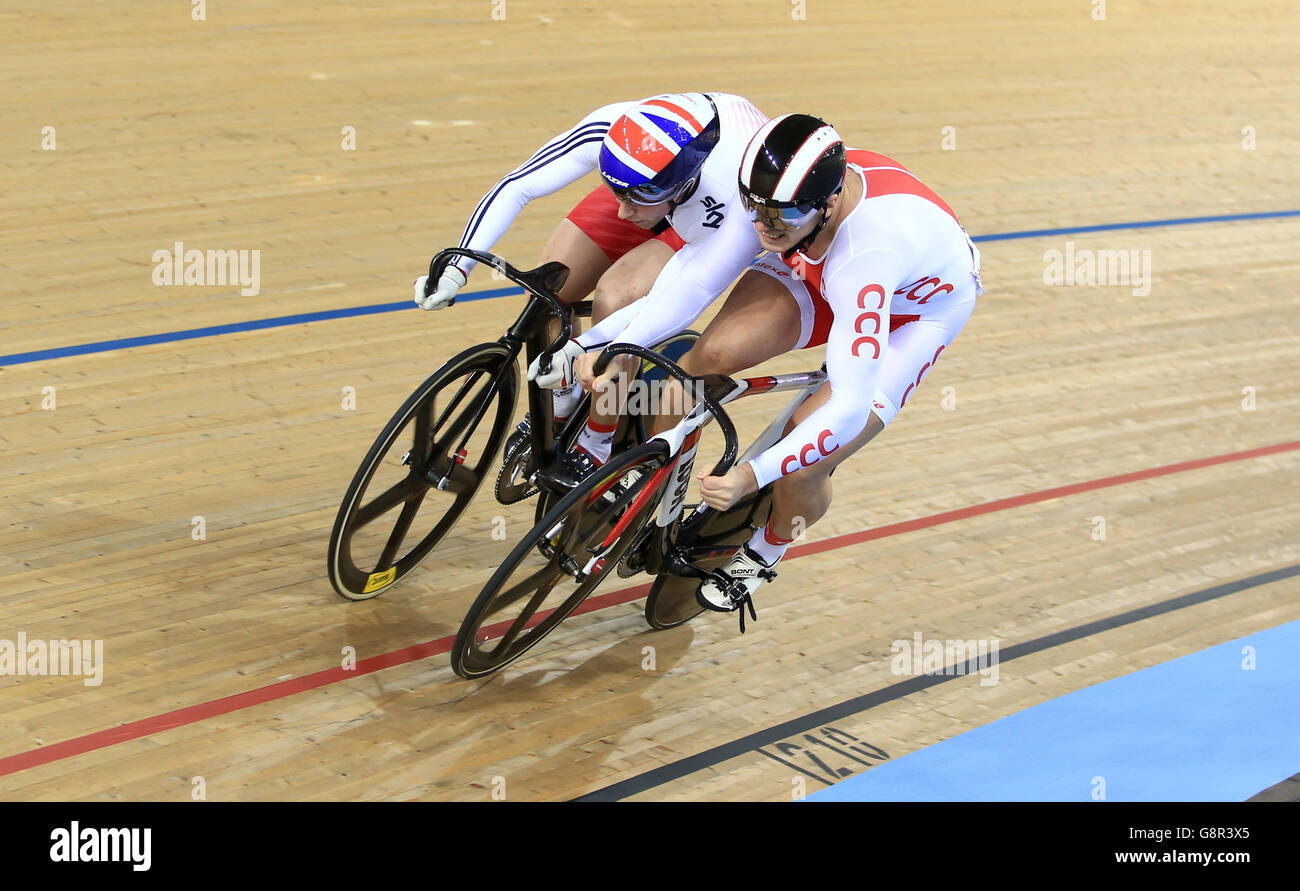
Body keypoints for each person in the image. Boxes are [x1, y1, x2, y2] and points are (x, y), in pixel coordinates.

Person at [576, 113, 982, 621]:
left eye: (777, 218)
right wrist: (604, 343)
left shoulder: (866, 256)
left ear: (829, 202)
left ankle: (767, 549)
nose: (763, 227)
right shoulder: (782, 204)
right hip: (814, 259)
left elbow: (850, 408)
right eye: (755, 210)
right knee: (706, 360)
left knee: (806, 454)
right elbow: (697, 285)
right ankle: (658, 479)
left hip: (910, 312)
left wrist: (752, 475)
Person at [412, 92, 768, 483]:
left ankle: (597, 442)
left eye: (631, 202)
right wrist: (457, 266)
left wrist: (590, 344)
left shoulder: (737, 197)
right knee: (551, 283)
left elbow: (691, 291)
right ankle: (563, 399)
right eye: (615, 193)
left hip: (707, 219)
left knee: (616, 297)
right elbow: (518, 185)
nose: (621, 212)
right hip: (649, 183)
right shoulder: (617, 132)